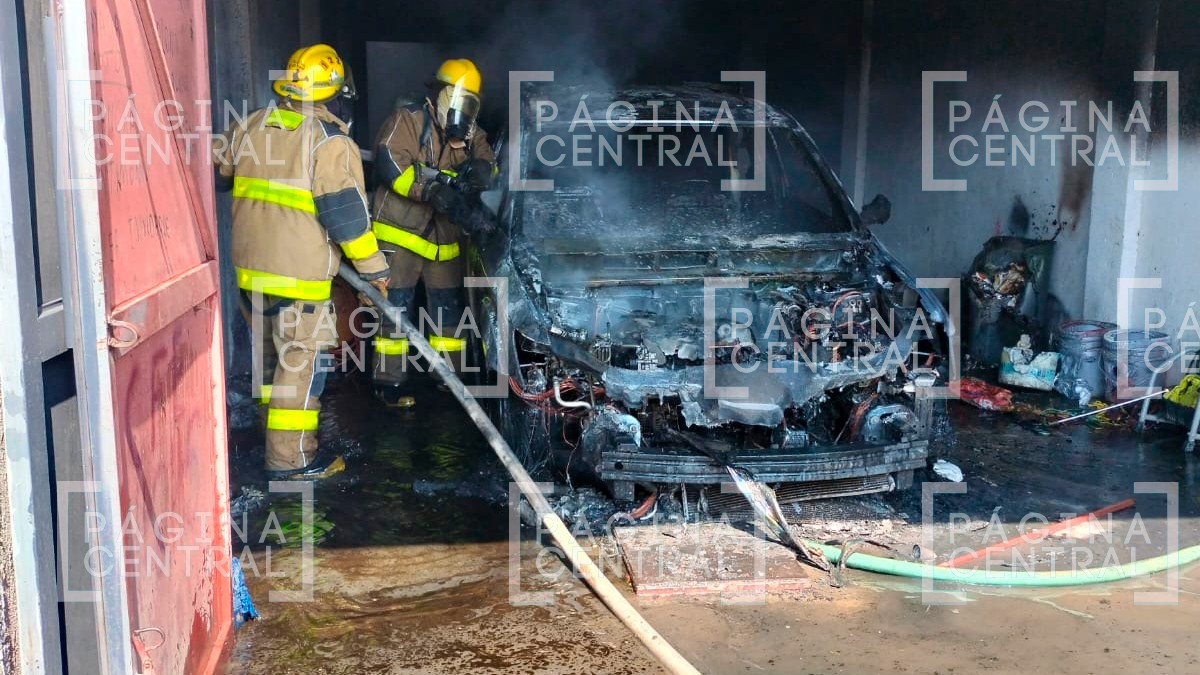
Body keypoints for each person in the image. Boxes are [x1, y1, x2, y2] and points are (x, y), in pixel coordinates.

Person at [213, 44, 389, 480]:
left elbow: (219, 172)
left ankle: (270, 439)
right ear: (333, 92)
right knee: (301, 370)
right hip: (300, 285)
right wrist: (376, 272)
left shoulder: (252, 124)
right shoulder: (331, 143)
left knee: (272, 365)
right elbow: (348, 220)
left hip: (253, 279)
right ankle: (291, 462)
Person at [369, 58, 497, 407]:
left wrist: (484, 170)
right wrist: (428, 189)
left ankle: (448, 379)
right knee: (395, 310)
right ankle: (389, 383)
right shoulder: (408, 121)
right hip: (400, 235)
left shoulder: (473, 135)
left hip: (444, 242)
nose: (462, 109)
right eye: (458, 98)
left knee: (448, 312)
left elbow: (492, 164)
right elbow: (389, 162)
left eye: (470, 101)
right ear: (439, 94)